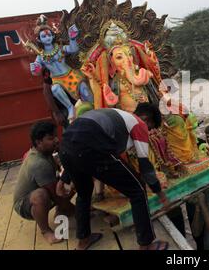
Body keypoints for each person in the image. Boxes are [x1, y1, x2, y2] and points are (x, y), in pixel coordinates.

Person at [59, 104, 170, 250]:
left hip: (65, 147)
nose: (148, 132)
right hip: (91, 147)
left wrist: (64, 178)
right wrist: (161, 194)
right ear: (146, 119)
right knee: (137, 190)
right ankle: (146, 245)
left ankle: (83, 241)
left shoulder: (116, 115)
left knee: (84, 193)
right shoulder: (139, 123)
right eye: (150, 128)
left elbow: (76, 142)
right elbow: (145, 166)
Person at [13, 121, 75, 245]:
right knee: (41, 195)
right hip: (24, 205)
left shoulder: (45, 152)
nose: (57, 140)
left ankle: (63, 210)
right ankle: (46, 231)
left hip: (48, 190)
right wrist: (78, 210)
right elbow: (55, 193)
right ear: (38, 142)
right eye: (51, 138)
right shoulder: (38, 163)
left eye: (55, 136)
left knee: (73, 176)